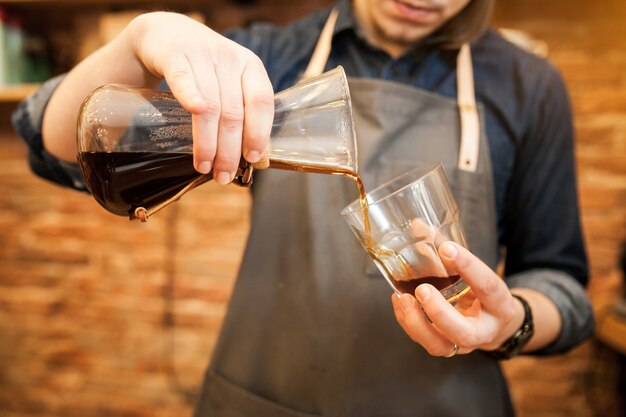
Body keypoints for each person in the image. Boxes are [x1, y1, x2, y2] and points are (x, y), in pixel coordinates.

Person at [12, 0, 594, 416]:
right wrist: (139, 38)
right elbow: (48, 143)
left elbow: (564, 288)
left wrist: (511, 324)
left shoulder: (528, 86)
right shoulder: (275, 55)